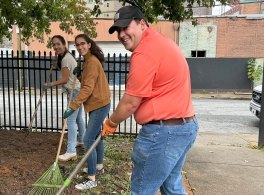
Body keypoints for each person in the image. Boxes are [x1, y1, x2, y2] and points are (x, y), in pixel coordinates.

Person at [102, 5, 199, 195]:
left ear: (142, 24)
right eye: (118, 30)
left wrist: (111, 122)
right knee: (171, 187)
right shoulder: (161, 42)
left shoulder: (145, 52)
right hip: (184, 127)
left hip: (164, 134)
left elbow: (131, 102)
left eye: (125, 28)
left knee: (141, 191)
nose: (121, 35)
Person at [63, 34, 111, 191]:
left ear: (89, 44)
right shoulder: (88, 60)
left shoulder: (91, 62)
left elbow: (87, 88)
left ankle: (92, 178)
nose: (79, 47)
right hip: (100, 103)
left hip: (98, 105)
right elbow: (91, 81)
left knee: (88, 139)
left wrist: (73, 106)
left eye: (82, 44)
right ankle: (98, 167)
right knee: (97, 137)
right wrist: (80, 74)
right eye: (77, 45)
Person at [44, 35, 85, 162]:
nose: (56, 47)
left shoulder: (66, 59)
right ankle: (83, 140)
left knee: (70, 120)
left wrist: (49, 84)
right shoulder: (66, 57)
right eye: (54, 45)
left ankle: (71, 151)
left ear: (64, 44)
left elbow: (64, 79)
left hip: (74, 92)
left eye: (58, 44)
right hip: (77, 90)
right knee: (78, 119)